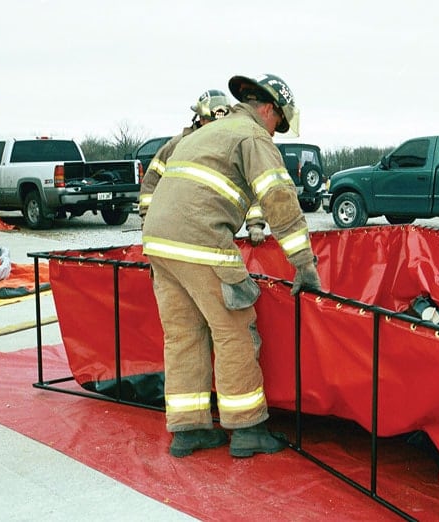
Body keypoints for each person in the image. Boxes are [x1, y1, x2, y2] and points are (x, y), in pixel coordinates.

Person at [142, 73, 321, 458]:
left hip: (158, 243)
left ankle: (188, 431)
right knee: (234, 332)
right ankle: (247, 429)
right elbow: (278, 197)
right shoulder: (252, 136)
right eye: (279, 125)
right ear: (268, 109)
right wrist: (303, 263)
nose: (276, 134)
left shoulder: (205, 134)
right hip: (201, 242)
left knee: (183, 336)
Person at [138, 89, 267, 245]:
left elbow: (253, 188)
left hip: (215, 231)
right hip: (175, 230)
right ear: (200, 118)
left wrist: (255, 225)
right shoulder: (176, 146)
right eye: (211, 122)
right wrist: (148, 220)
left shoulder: (233, 148)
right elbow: (150, 184)